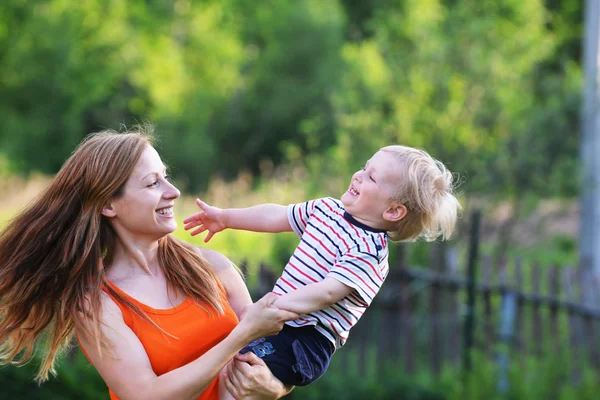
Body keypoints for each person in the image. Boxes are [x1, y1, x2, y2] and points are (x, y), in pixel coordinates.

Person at [0, 127, 298, 400]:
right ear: (108, 205)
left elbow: (270, 362)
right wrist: (242, 334)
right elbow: (145, 395)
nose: (173, 192)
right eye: (153, 183)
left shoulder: (212, 266)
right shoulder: (96, 304)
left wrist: (273, 387)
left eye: (166, 177)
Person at [183, 145, 462, 397]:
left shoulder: (369, 251)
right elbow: (277, 215)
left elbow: (327, 292)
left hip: (305, 341)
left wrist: (270, 307)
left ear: (393, 211)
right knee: (221, 356)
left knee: (239, 373)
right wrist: (226, 218)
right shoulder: (327, 209)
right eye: (365, 167)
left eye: (372, 178)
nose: (358, 176)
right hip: (279, 320)